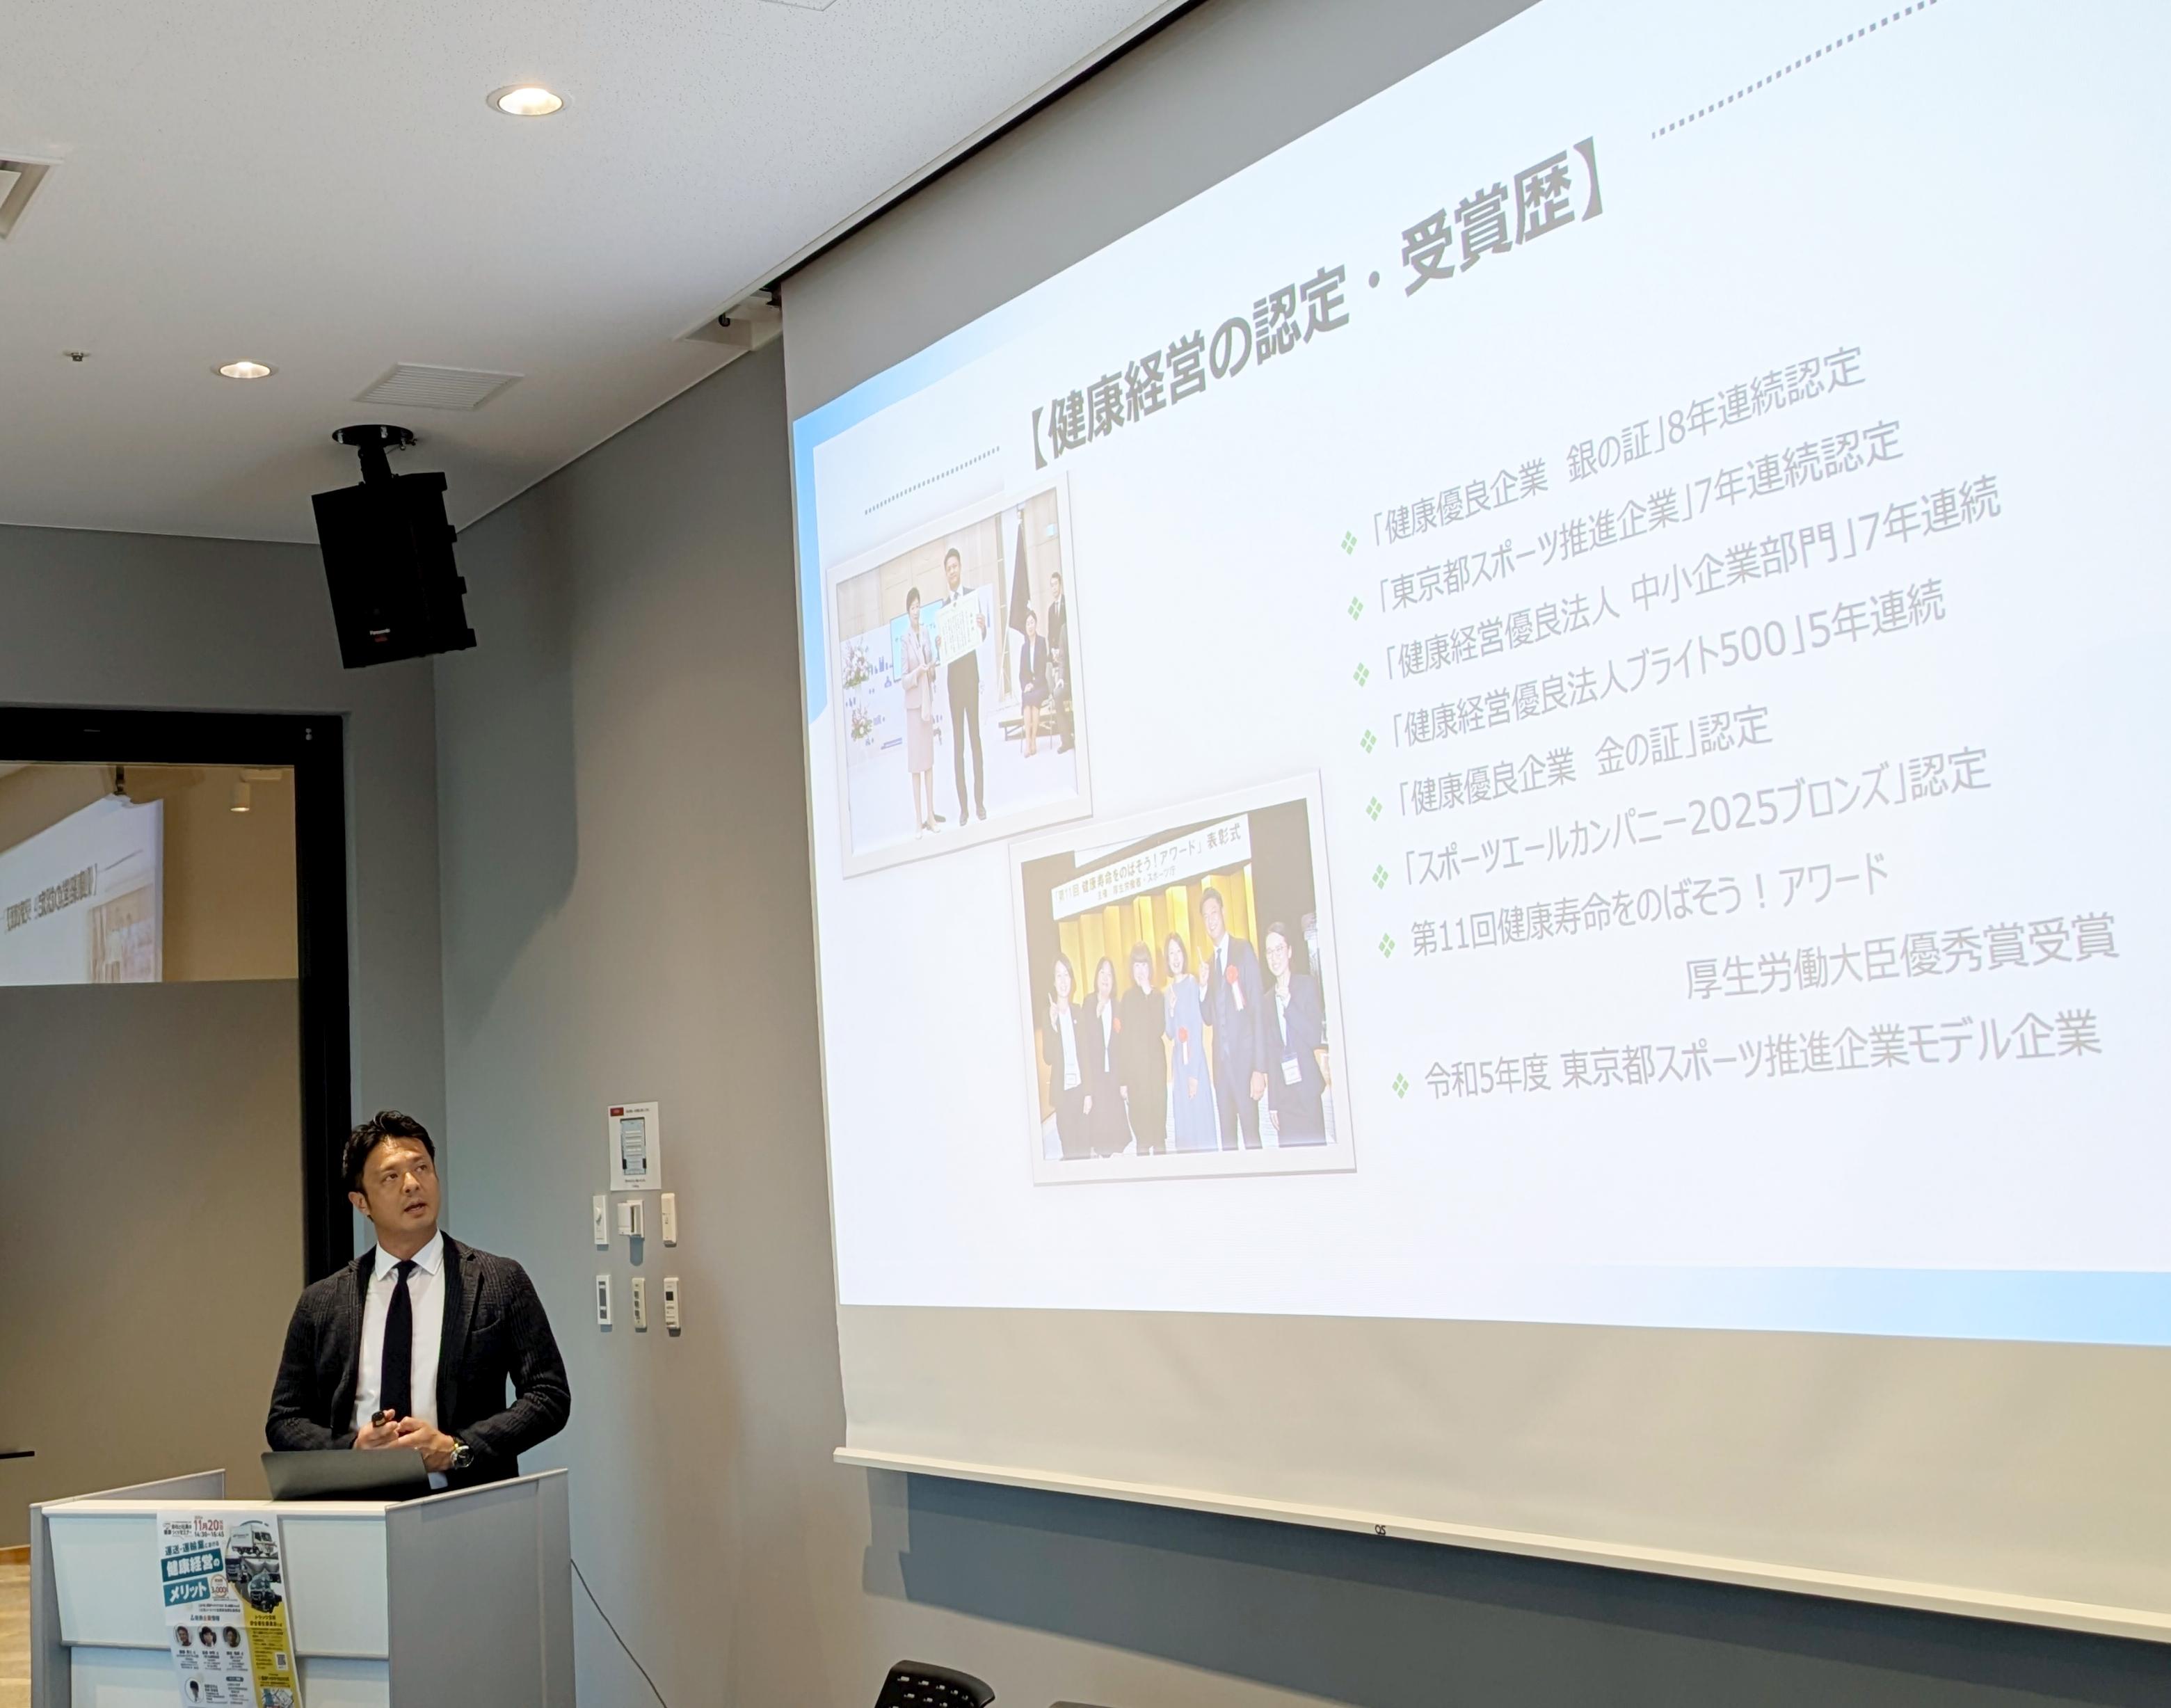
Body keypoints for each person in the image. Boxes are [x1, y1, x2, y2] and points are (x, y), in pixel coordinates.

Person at [266, 1111, 570, 1489]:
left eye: (422, 1168)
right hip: (358, 1507)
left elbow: (548, 1396)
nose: (412, 1184)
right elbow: (284, 1420)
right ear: (361, 1202)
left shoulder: (499, 1280)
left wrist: (458, 1448)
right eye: (391, 1177)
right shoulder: (322, 1302)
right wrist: (352, 1449)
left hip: (465, 1502)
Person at [1199, 886, 1267, 1149]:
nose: (1211, 920)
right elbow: (1208, 1018)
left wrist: (1259, 1068)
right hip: (1222, 1071)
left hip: (1246, 1066)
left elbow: (1257, 1010)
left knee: (1252, 1139)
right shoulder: (1209, 964)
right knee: (1228, 1143)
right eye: (1206, 916)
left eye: (1214, 913)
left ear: (1224, 913)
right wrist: (1202, 987)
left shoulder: (1243, 949)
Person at [1261, 921, 1328, 1144]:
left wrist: (1289, 1002)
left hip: (1308, 1092)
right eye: (1270, 952)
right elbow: (1272, 1054)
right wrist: (1273, 1103)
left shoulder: (1306, 986)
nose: (1274, 957)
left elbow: (1313, 1036)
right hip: (1285, 1100)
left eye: (1279, 949)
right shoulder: (1266, 1001)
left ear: (1289, 951)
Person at [938, 545, 988, 822]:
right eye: (948, 568)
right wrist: (941, 645)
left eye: (955, 566)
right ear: (945, 574)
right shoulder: (943, 610)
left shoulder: (972, 598)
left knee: (975, 741)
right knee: (958, 746)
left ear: (960, 568)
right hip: (954, 685)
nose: (952, 571)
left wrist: (982, 627)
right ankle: (964, 808)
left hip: (971, 678)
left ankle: (980, 804)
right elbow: (944, 654)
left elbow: (981, 637)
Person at [1162, 934, 1218, 1151]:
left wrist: (1194, 1074)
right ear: (1167, 959)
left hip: (1195, 1064)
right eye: (1171, 953)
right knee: (1185, 1121)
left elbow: (1196, 1027)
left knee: (1200, 1121)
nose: (1176, 958)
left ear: (1184, 955)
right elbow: (1170, 1032)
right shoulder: (1167, 992)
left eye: (1178, 952)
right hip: (1179, 1065)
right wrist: (1172, 1010)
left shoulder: (1193, 983)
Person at [1116, 943, 1167, 1155]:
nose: (1140, 971)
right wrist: (1123, 1081)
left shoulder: (1158, 996)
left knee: (1159, 1136)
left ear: (1150, 967)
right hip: (1136, 1079)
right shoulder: (1127, 998)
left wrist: (1148, 993)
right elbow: (1123, 1044)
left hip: (1155, 1075)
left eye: (1144, 965)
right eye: (1136, 965)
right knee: (1142, 1139)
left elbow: (1158, 1028)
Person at [899, 586, 943, 834]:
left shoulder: (925, 633)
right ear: (908, 611)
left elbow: (932, 668)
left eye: (919, 606)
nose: (916, 611)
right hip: (914, 708)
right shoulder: (904, 639)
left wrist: (932, 663)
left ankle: (931, 816)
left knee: (929, 763)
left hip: (927, 703)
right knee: (916, 766)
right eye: (913, 607)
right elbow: (904, 680)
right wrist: (918, 672)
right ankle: (918, 821)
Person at [1040, 955, 1087, 1159]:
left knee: (1084, 1149)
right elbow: (1048, 1057)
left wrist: (1088, 1094)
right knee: (1070, 1151)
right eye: (1058, 975)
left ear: (1072, 979)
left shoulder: (1078, 1012)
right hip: (1063, 1096)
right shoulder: (1048, 1015)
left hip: (1080, 1091)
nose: (1063, 980)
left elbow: (1086, 1057)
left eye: (1066, 974)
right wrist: (1052, 1025)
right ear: (1053, 981)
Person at [1082, 956, 1128, 1156]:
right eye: (1102, 972)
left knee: (1117, 1135)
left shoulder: (1118, 1006)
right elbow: (1085, 1043)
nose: (1106, 978)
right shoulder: (1089, 1002)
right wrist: (1096, 1016)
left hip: (1114, 1078)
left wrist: (1124, 1081)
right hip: (1097, 1079)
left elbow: (1123, 1049)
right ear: (1096, 977)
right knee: (1101, 1135)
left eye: (1110, 974)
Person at [1045, 570, 1073, 753]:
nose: (1054, 588)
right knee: (1057, 693)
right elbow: (1051, 634)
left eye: (1056, 584)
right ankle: (1066, 739)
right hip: (1058, 657)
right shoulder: (1050, 609)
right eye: (1051, 586)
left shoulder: (1067, 603)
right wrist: (1053, 652)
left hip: (1068, 655)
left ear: (1060, 585)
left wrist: (1062, 652)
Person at [1017, 608, 1050, 758]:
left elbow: (1042, 669)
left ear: (1036, 624)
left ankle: (1034, 739)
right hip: (1029, 686)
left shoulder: (1042, 642)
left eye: (1032, 622)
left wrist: (1034, 685)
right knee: (1026, 699)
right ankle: (1028, 742)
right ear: (1025, 627)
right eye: (1027, 623)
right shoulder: (1024, 648)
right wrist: (1026, 685)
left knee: (1034, 701)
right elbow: (1022, 673)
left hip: (1041, 684)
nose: (1030, 626)